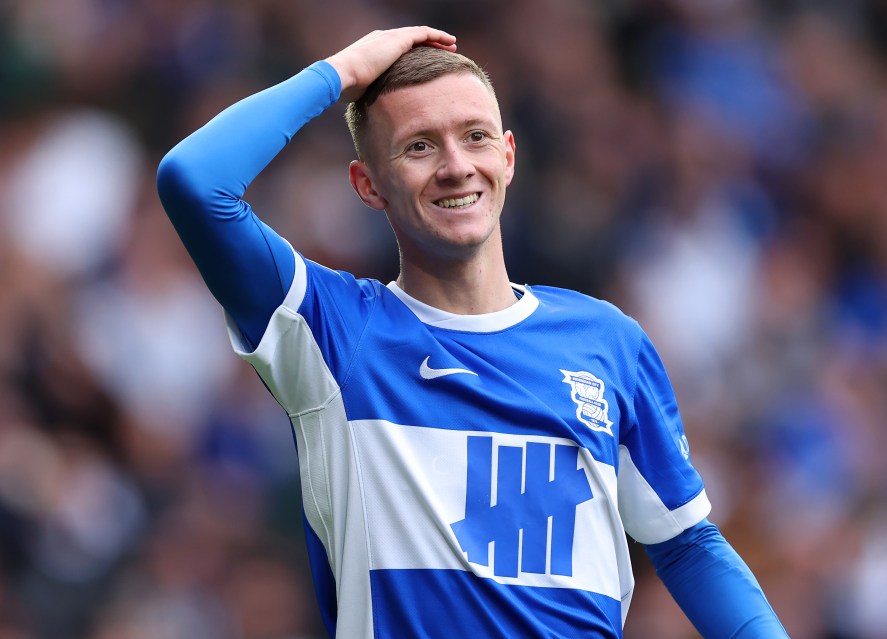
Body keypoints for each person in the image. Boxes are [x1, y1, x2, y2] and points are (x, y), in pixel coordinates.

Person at [157, 26, 788, 639]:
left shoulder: (607, 341)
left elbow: (687, 544)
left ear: (508, 156)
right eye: (420, 146)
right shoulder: (331, 332)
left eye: (475, 137)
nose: (457, 166)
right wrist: (342, 72)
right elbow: (195, 181)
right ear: (367, 184)